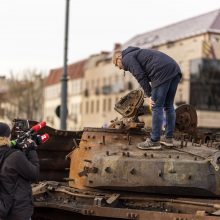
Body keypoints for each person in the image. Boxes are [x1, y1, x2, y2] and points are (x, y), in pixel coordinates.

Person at [113, 46, 181, 150]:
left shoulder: (127, 58)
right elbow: (143, 75)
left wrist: (149, 95)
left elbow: (140, 75)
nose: (118, 68)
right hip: (174, 69)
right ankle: (168, 138)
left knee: (156, 107)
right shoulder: (137, 53)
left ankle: (154, 141)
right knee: (168, 106)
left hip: (161, 72)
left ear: (119, 57)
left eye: (116, 64)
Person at [0, 122, 39, 220]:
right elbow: (34, 174)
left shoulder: (12, 155)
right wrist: (32, 151)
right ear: (7, 137)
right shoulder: (15, 156)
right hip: (17, 212)